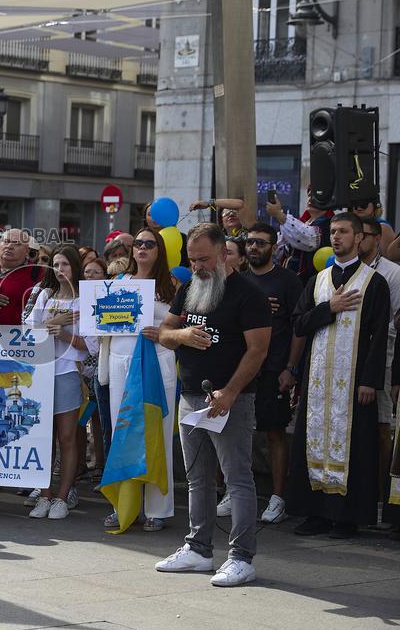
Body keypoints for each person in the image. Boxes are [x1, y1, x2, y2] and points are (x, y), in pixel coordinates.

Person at [156, 222, 271, 587]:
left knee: (237, 477)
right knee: (197, 477)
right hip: (192, 396)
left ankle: (241, 556)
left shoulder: (248, 294)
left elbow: (258, 350)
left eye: (204, 259)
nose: (198, 267)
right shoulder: (190, 287)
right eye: (192, 260)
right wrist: (183, 334)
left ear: (224, 254)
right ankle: (198, 549)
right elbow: (164, 333)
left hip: (229, 400)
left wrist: (232, 392)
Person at [289, 213, 391, 539]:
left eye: (343, 231)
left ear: (359, 238)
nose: (336, 237)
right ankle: (316, 513)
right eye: (332, 232)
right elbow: (299, 324)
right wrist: (329, 308)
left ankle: (346, 518)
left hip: (354, 383)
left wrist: (370, 381)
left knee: (355, 446)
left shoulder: (374, 282)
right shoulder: (317, 281)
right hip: (318, 379)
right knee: (312, 442)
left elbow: (379, 335)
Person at [100, 228, 179, 532]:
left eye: (150, 244)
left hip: (157, 362)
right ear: (132, 251)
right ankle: (123, 506)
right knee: (123, 434)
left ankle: (158, 508)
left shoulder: (171, 285)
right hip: (121, 361)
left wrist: (163, 333)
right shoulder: (118, 283)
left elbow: (180, 326)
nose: (143, 248)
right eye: (139, 244)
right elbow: (101, 322)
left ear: (159, 250)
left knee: (156, 432)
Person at [24, 245, 98, 520]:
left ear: (75, 267)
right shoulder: (45, 294)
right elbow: (29, 333)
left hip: (68, 371)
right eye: (56, 264)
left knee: (67, 437)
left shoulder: (85, 301)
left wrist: (63, 334)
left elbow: (91, 347)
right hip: (41, 373)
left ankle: (62, 497)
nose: (59, 269)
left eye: (65, 264)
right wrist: (54, 323)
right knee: (44, 438)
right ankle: (43, 495)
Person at [238, 223, 304, 524]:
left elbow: (298, 329)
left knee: (275, 433)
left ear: (274, 246)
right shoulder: (239, 281)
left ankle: (278, 498)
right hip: (242, 370)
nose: (254, 248)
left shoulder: (288, 281)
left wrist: (291, 368)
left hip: (275, 368)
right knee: (236, 433)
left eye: (260, 243)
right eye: (250, 242)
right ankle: (234, 491)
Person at [356, 217, 400, 512]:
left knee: (383, 426)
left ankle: (384, 497)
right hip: (348, 352)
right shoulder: (343, 270)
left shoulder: (392, 273)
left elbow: (395, 318)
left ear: (376, 239)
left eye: (364, 236)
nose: (357, 241)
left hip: (383, 351)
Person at [0, 228, 42, 326]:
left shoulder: (37, 273)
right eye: (6, 241)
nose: (9, 246)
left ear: (27, 251)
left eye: (16, 243)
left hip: (17, 339)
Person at [268, 189, 332, 285]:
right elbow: (281, 246)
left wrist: (279, 214)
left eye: (316, 196)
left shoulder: (327, 222)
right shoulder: (303, 222)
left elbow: (309, 239)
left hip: (310, 282)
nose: (310, 199)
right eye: (309, 196)